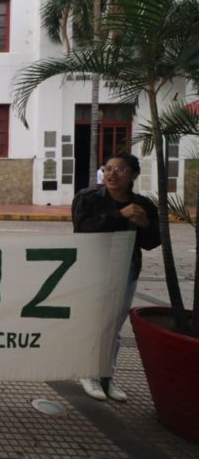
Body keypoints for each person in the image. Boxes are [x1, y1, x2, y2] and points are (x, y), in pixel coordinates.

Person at [72, 153, 160, 402]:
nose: (112, 174)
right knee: (95, 323)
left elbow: (152, 242)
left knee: (114, 326)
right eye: (108, 168)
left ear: (133, 175)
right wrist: (120, 215)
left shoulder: (144, 205)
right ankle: (87, 372)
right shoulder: (87, 198)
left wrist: (143, 225)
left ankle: (106, 377)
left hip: (126, 271)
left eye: (120, 169)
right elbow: (82, 229)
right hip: (93, 269)